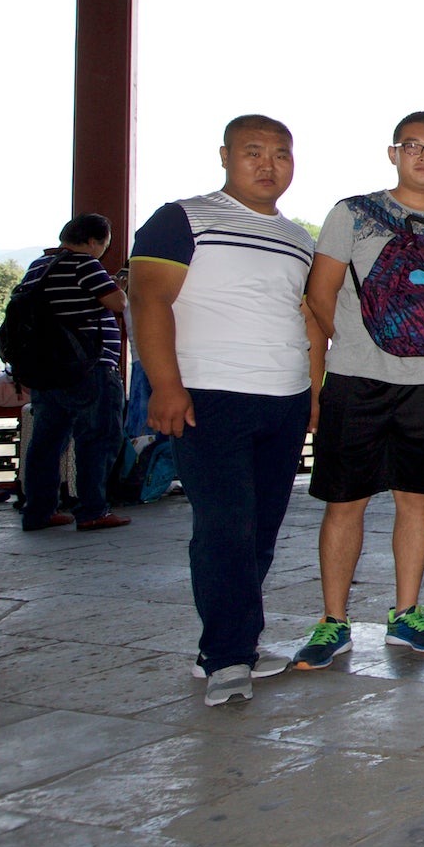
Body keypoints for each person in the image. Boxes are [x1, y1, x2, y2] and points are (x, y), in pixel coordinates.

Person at [129, 115, 323, 707]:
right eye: (253, 152)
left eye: (281, 154)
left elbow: (309, 319)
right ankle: (227, 658)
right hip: (210, 396)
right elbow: (148, 299)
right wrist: (165, 385)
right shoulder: (182, 218)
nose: (269, 165)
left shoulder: (298, 238)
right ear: (225, 155)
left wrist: (313, 395)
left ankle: (230, 641)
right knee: (224, 526)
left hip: (284, 398)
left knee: (261, 529)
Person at [294, 113, 424, 669]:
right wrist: (362, 343)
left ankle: (406, 615)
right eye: (413, 147)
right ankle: (334, 620)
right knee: (344, 501)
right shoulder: (352, 215)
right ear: (392, 153)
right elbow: (320, 295)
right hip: (357, 377)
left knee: (416, 497)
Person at [16, 213, 131, 532]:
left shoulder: (40, 266)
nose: (102, 250)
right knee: (98, 438)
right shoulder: (85, 264)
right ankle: (93, 509)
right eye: (103, 244)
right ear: (93, 241)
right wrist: (118, 286)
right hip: (88, 368)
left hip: (46, 370)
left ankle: (39, 511)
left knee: (46, 442)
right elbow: (117, 303)